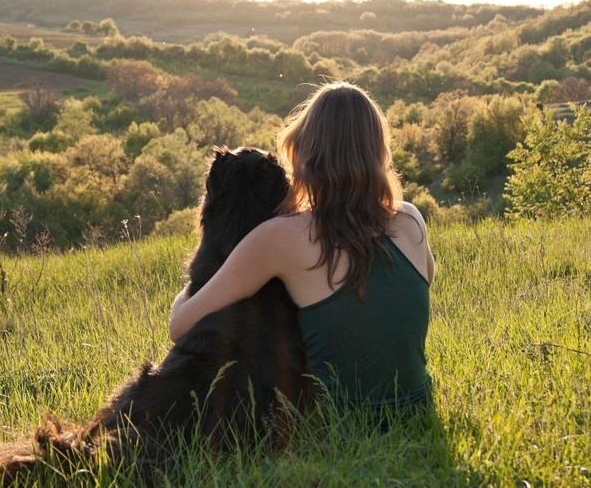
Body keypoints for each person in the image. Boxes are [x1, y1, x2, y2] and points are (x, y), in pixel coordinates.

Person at [170, 81, 435, 423]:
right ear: (378, 154)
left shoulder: (280, 238)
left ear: (304, 153)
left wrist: (191, 288)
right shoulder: (411, 219)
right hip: (418, 411)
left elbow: (180, 325)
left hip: (337, 427)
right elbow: (414, 291)